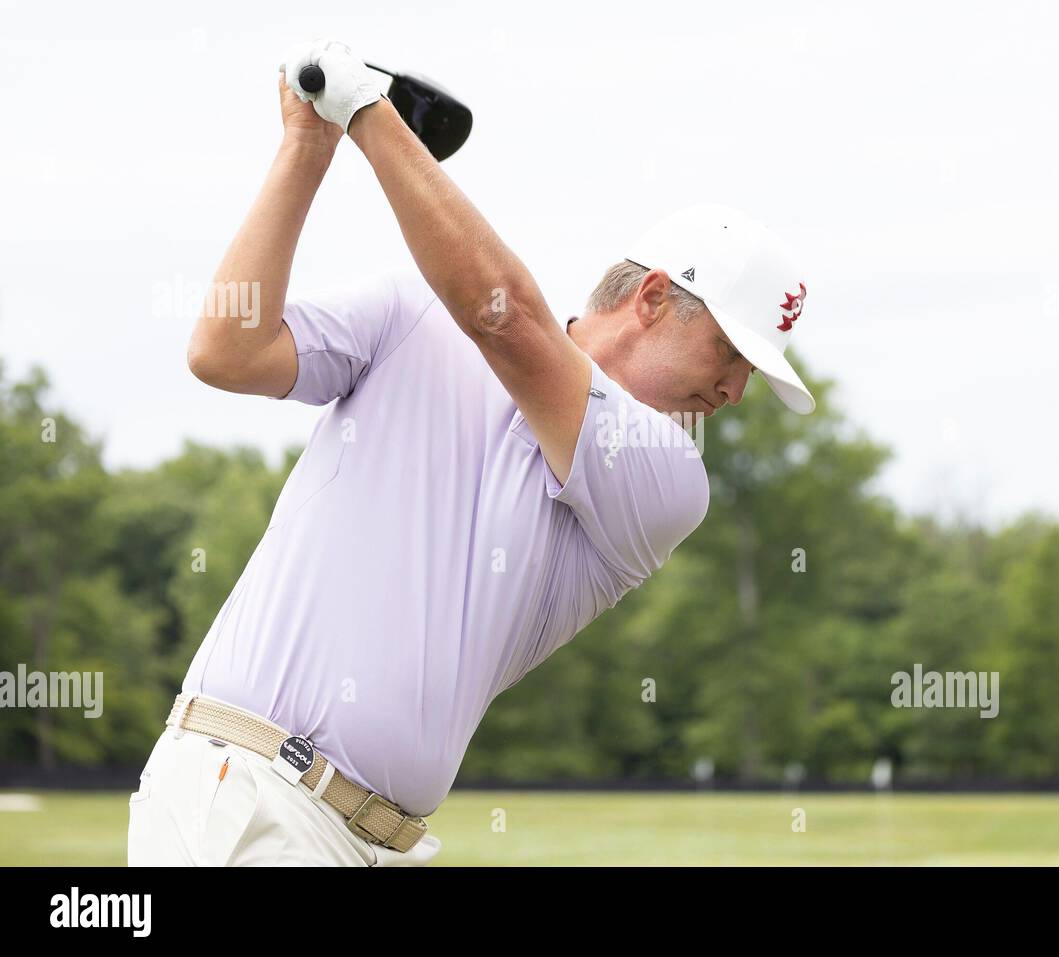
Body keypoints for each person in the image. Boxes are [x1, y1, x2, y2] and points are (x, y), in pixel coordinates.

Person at [126, 38, 814, 866]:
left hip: (375, 840)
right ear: (656, 297)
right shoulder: (410, 310)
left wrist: (366, 110)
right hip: (250, 791)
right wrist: (309, 145)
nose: (734, 391)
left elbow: (508, 322)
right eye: (731, 354)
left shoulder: (670, 480)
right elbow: (226, 351)